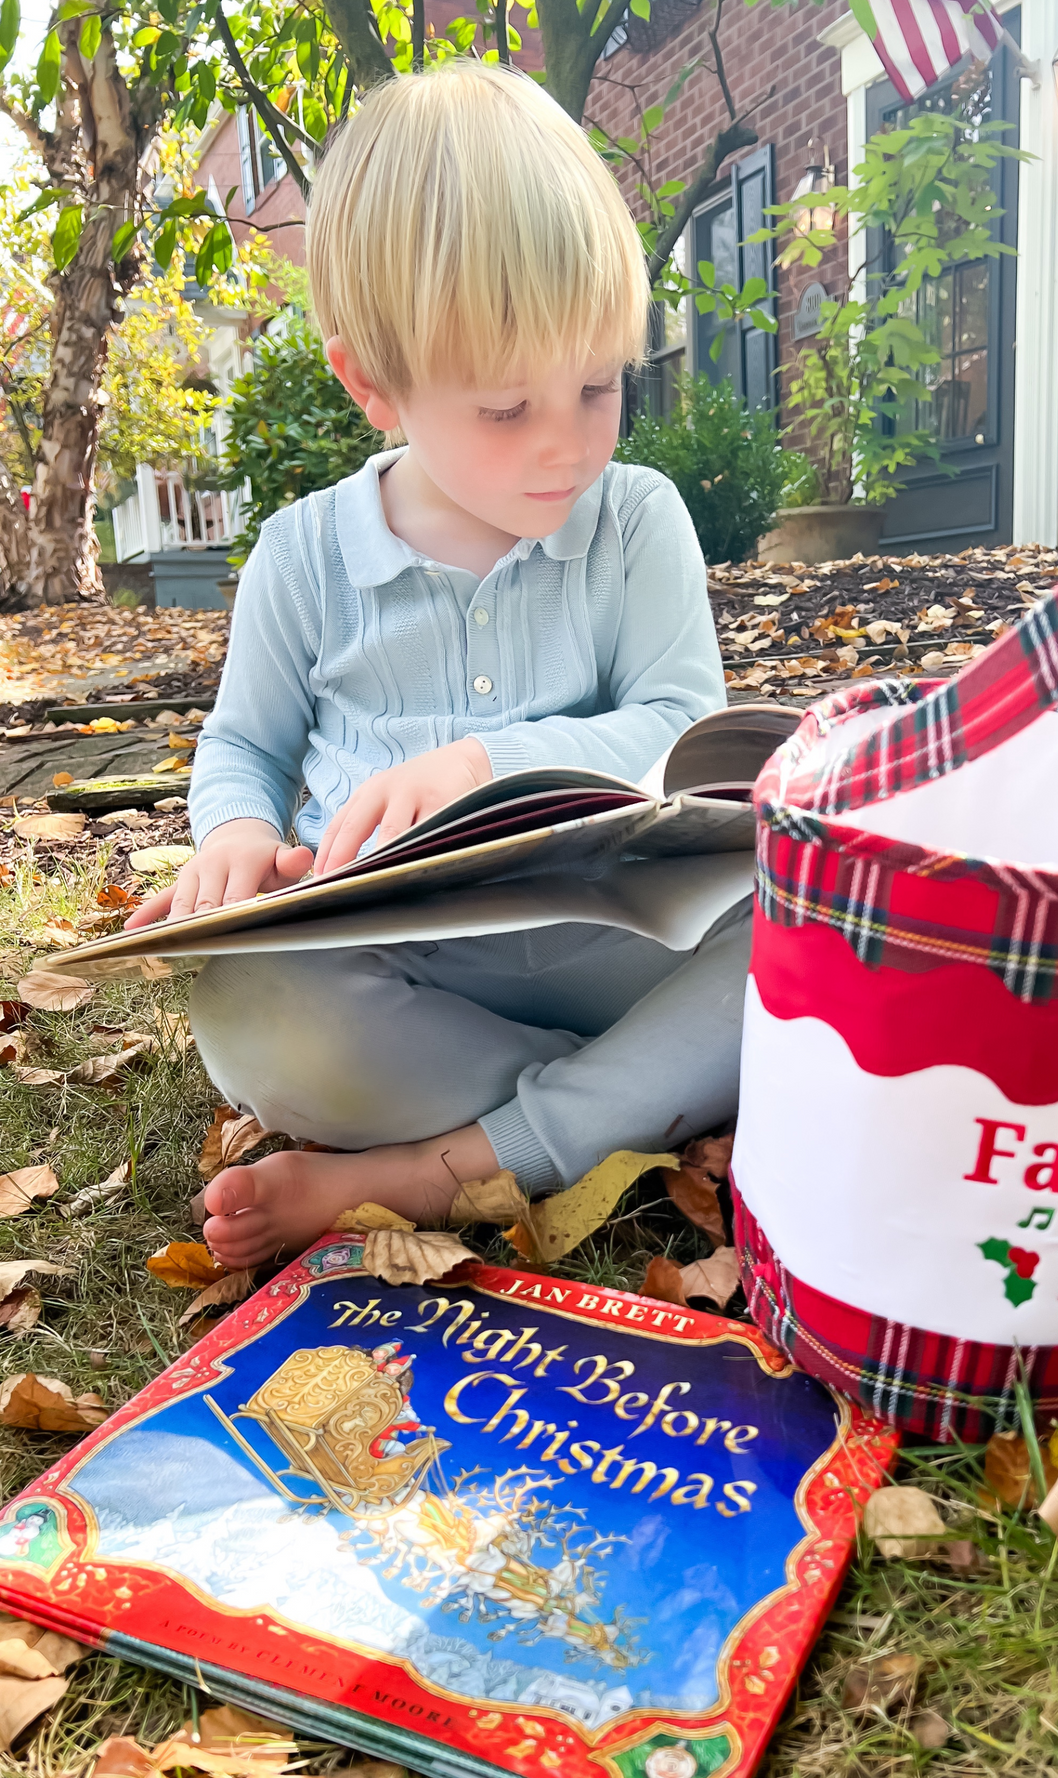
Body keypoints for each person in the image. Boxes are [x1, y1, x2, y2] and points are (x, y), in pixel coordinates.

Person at [125, 62, 747, 1270]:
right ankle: (611, 1113)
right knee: (254, 1016)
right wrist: (234, 834)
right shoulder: (302, 555)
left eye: (597, 384)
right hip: (395, 970)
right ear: (374, 385)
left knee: (809, 931)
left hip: (615, 945)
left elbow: (684, 725)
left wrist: (491, 763)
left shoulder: (636, 520)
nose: (565, 441)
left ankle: (440, 1167)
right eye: (508, 408)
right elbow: (243, 747)